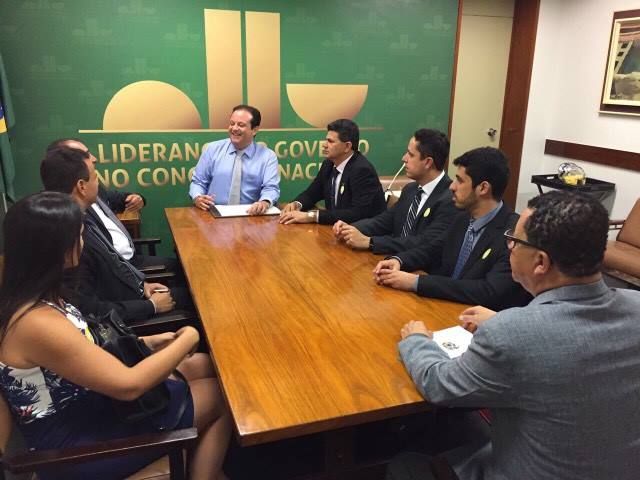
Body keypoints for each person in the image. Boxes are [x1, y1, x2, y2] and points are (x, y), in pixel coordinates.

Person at [390, 191, 640, 480]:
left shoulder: (511, 333)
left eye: (515, 240)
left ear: (540, 263)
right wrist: (505, 321)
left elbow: (438, 385)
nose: (508, 245)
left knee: (405, 463)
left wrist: (417, 340)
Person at [0, 192, 231, 480]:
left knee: (208, 367)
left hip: (91, 403)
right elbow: (129, 386)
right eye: (79, 235)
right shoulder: (36, 323)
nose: (83, 243)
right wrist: (189, 336)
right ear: (58, 248)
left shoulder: (38, 295)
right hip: (77, 446)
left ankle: (204, 463)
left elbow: (81, 347)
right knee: (222, 398)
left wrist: (148, 342)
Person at [374, 147, 530, 310]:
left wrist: (415, 282)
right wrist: (399, 260)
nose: (452, 187)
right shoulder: (462, 218)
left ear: (483, 188)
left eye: (460, 181)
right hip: (441, 308)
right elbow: (432, 249)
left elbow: (488, 291)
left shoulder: (513, 234)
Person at [40, 147, 184, 322]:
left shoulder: (84, 220)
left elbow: (113, 262)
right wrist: (151, 306)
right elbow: (86, 309)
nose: (99, 183)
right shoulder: (72, 239)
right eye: (95, 177)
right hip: (130, 318)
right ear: (81, 186)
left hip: (135, 292)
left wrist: (141, 285)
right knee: (201, 294)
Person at [47, 138, 177, 270]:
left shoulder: (92, 193)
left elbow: (114, 198)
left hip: (129, 263)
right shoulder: (73, 218)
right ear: (81, 186)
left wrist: (136, 198)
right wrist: (142, 287)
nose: (94, 158)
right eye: (85, 155)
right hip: (121, 269)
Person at [333, 128, 459, 254]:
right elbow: (383, 222)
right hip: (393, 263)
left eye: (410, 154)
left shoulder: (450, 199)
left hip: (420, 270)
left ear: (427, 162)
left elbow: (424, 242)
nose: (404, 158)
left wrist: (370, 242)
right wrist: (350, 228)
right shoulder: (410, 190)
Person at [279, 118, 386, 225]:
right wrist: (297, 204)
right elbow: (312, 193)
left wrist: (312, 216)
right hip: (335, 230)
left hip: (363, 234)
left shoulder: (362, 170)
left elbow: (357, 213)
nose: (324, 145)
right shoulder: (328, 164)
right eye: (326, 140)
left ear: (347, 146)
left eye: (330, 141)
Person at [189, 104, 280, 215]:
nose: (234, 128)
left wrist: (264, 202)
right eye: (232, 123)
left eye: (241, 125)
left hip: (251, 216)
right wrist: (197, 197)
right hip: (213, 214)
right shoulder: (212, 149)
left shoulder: (268, 156)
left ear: (255, 130)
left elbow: (271, 188)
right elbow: (198, 182)